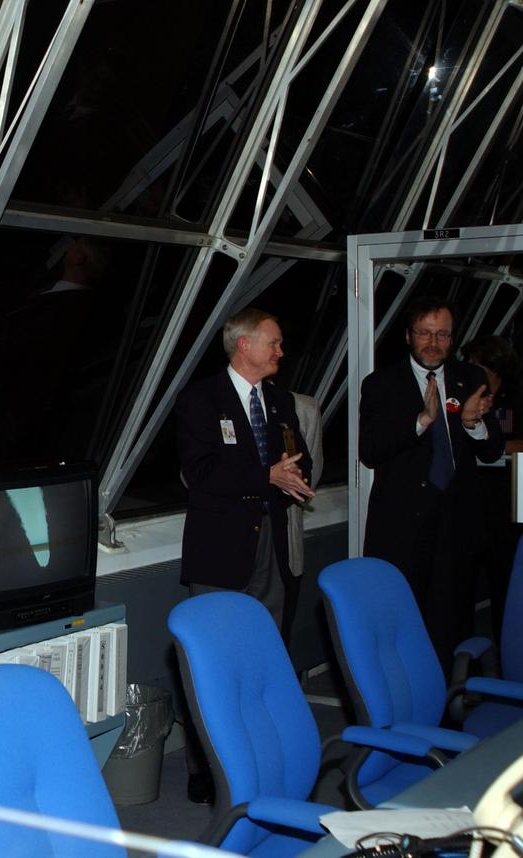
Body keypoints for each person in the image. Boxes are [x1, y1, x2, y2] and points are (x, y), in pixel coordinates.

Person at [174, 306, 314, 804]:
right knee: (212, 664)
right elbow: (203, 474)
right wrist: (266, 477)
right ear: (244, 345)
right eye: (273, 343)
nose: (281, 352)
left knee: (263, 661)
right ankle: (204, 769)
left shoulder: (278, 400)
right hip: (220, 553)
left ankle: (258, 758)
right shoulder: (199, 399)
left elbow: (298, 456)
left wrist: (296, 473)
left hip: (271, 549)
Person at [359, 296, 503, 671]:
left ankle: (451, 709)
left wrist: (473, 423)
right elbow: (370, 451)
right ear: (408, 336)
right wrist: (421, 421)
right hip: (402, 528)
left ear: (453, 339)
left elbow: (491, 452)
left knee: (452, 623)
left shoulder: (470, 378)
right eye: (424, 333)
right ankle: (402, 705)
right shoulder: (381, 384)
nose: (433, 343)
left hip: (456, 526)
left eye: (442, 335)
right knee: (400, 623)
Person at [462, 334, 521, 643]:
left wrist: (495, 443)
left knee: (507, 576)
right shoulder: (465, 398)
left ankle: (507, 646)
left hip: (514, 492)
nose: (471, 369)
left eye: (477, 364)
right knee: (465, 577)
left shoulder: (516, 399)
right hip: (477, 493)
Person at [286, 392, 325, 584]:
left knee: (282, 611)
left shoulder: (303, 407)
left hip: (287, 543)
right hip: (228, 548)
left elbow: (312, 473)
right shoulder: (211, 403)